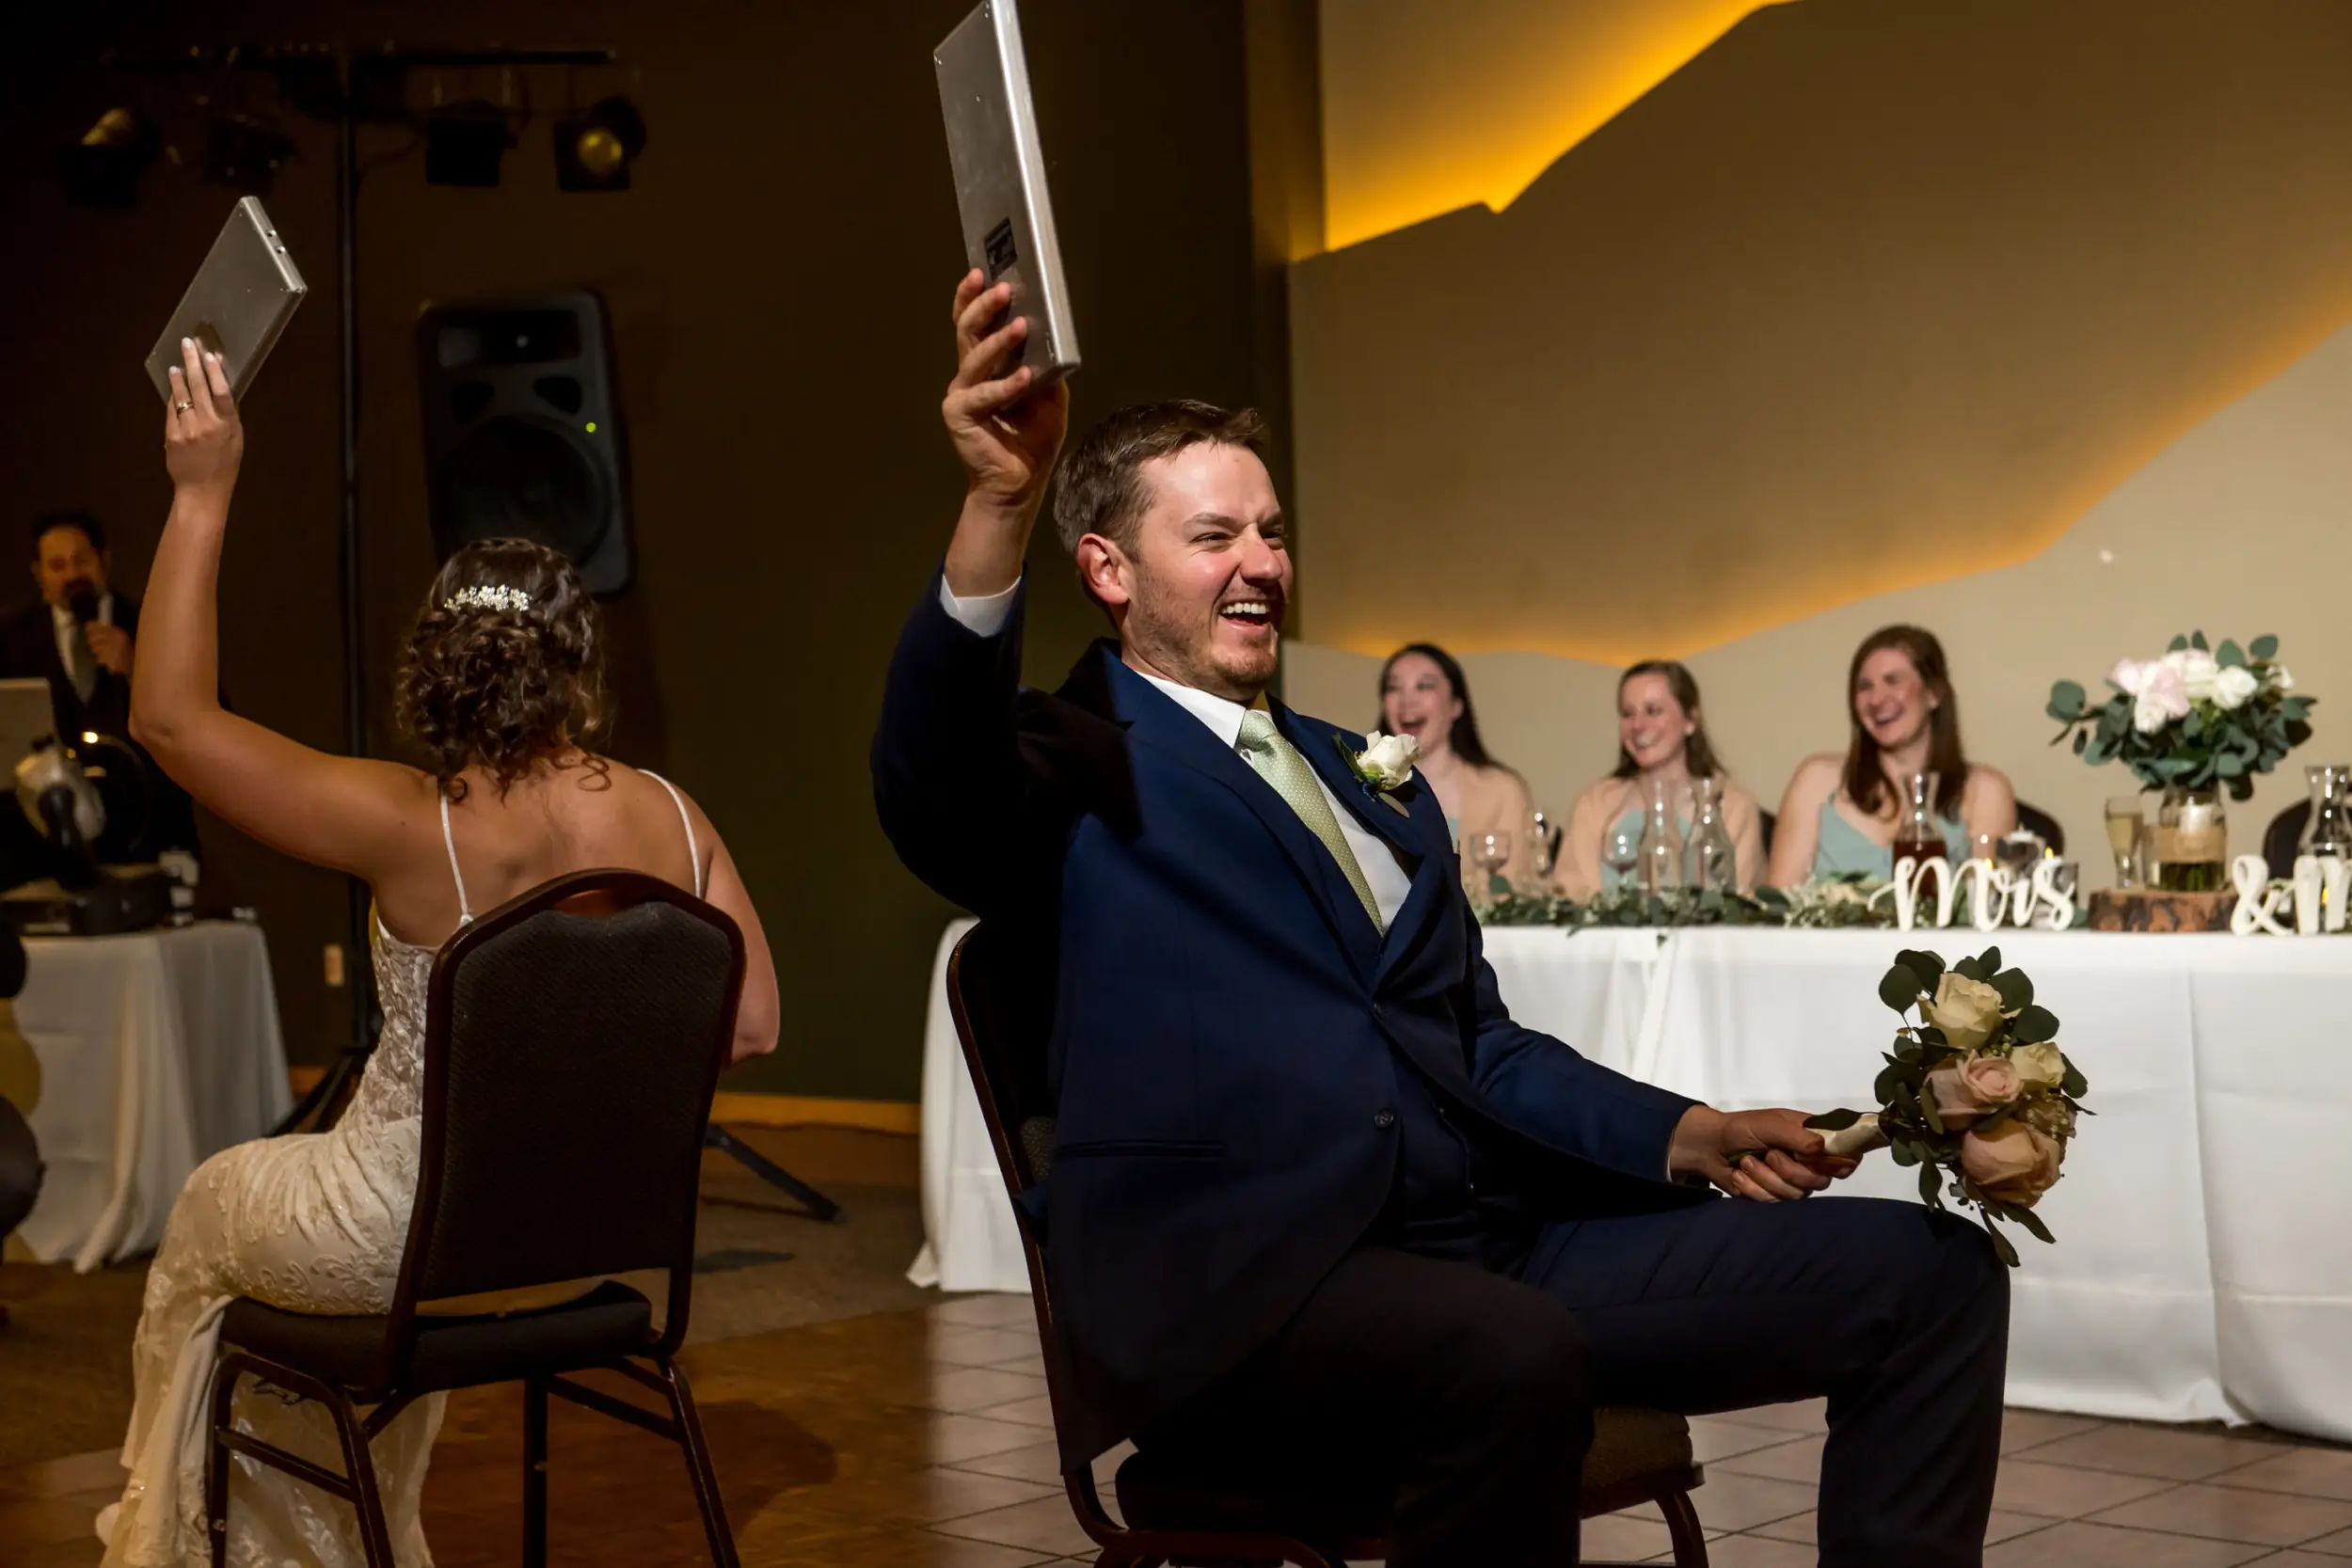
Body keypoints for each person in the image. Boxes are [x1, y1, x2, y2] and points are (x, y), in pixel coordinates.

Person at [873, 274, 2009, 1567]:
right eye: (1215, 536)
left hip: (1486, 1245)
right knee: (1509, 1355)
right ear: (1108, 569)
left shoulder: (1366, 772)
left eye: (1272, 531)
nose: (1262, 564)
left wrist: (1688, 1129)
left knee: (1934, 1275)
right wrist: (1000, 500)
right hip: (1249, 1286)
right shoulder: (1074, 762)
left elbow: (1480, 1044)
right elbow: (932, 787)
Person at [97, 340, 780, 1568]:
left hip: (412, 1243)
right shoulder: (676, 817)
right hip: (585, 1241)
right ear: (578, 662)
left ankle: (220, 1549)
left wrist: (202, 490)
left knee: (205, 1205)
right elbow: (752, 1024)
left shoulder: (414, 824)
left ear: (440, 665)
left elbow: (169, 721)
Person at [0, 510, 200, 863]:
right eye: (57, 566)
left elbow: (206, 718)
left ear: (104, 561)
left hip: (150, 834)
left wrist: (137, 669)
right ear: (38, 574)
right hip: (45, 845)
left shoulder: (156, 623)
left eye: (82, 561)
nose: (72, 575)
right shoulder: (9, 637)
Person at [1768, 626, 2017, 888]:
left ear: (1933, 693)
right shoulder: (1816, 780)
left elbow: (1989, 903)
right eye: (1865, 686)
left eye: (1893, 681)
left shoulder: (1985, 790)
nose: (1876, 699)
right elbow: (1778, 902)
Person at [1555, 660, 1766, 898]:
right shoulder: (1594, 804)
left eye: (1653, 711)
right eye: (1628, 714)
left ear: (1690, 720)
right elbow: (1571, 896)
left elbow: (1736, 902)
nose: (1637, 725)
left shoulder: (1731, 806)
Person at [1375, 643, 1535, 889]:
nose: (1407, 700)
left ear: (1456, 706)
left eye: (1424, 686)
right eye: (1394, 688)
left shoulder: (1501, 792)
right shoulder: (1362, 789)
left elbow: (1512, 892)